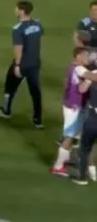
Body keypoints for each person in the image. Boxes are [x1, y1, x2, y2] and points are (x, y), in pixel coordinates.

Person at [0, 0, 43, 127]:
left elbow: (18, 48)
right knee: (35, 91)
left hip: (23, 64)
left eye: (16, 8)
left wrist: (18, 65)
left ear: (22, 11)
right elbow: (39, 34)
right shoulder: (38, 25)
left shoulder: (17, 29)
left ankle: (5, 110)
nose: (14, 10)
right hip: (34, 64)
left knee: (10, 87)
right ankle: (38, 119)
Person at [52, 47, 91, 176]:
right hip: (74, 107)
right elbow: (84, 87)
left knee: (74, 136)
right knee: (70, 136)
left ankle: (66, 158)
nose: (88, 58)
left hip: (71, 105)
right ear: (78, 56)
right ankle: (58, 166)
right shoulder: (79, 69)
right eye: (85, 56)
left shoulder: (71, 67)